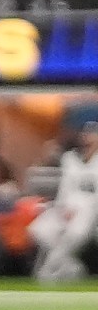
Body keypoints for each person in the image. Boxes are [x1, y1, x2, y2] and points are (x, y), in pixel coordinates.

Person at [33, 120, 98, 282]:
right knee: (40, 230)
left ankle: (47, 271)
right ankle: (73, 268)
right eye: (86, 134)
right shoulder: (70, 158)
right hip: (69, 207)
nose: (88, 138)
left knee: (75, 233)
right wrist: (63, 208)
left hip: (91, 209)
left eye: (93, 134)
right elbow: (65, 188)